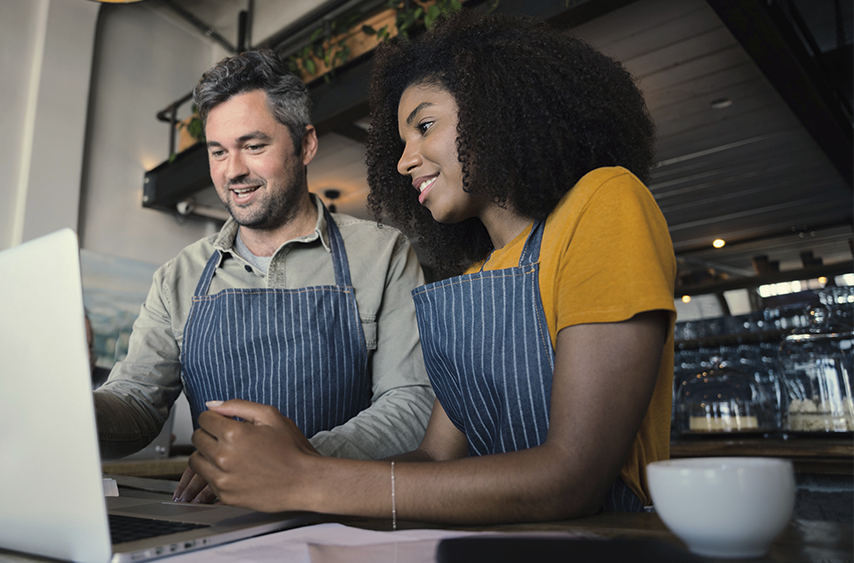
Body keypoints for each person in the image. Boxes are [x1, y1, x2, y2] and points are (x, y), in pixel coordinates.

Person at [186, 11, 677, 523]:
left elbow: (573, 477)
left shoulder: (605, 203)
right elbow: (432, 461)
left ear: (497, 107)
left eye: (424, 126)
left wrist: (306, 478)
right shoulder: (476, 278)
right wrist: (302, 459)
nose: (404, 161)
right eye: (400, 143)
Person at [92, 50, 435, 501]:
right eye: (219, 152)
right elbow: (136, 403)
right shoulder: (179, 277)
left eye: (253, 146)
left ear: (306, 143)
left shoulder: (383, 253)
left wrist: (292, 465)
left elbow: (411, 406)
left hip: (342, 515)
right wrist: (66, 405)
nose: (233, 171)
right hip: (218, 521)